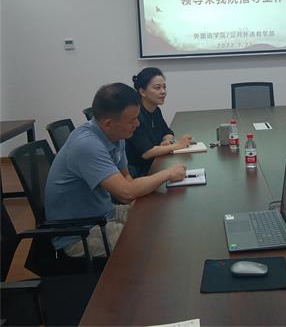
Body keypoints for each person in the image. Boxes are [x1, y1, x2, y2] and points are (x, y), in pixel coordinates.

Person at [45, 83, 187, 257]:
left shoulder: (116, 134)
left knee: (163, 217)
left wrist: (141, 194)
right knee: (153, 241)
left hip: (106, 213)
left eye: (137, 117)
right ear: (108, 123)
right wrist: (167, 173)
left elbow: (127, 179)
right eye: (132, 120)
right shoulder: (87, 145)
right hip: (80, 233)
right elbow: (126, 193)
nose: (137, 124)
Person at [126, 67, 192, 178]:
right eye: (157, 88)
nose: (163, 91)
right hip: (139, 172)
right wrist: (178, 145)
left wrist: (167, 140)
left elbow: (167, 131)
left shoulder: (155, 109)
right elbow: (147, 153)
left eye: (164, 87)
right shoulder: (136, 115)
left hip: (155, 164)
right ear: (142, 92)